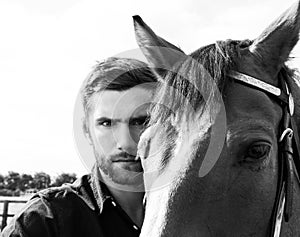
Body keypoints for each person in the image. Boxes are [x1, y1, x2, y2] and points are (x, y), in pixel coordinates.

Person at [1, 57, 157, 237]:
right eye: (106, 123)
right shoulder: (43, 222)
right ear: (86, 130)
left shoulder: (193, 210)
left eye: (140, 122)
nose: (125, 142)